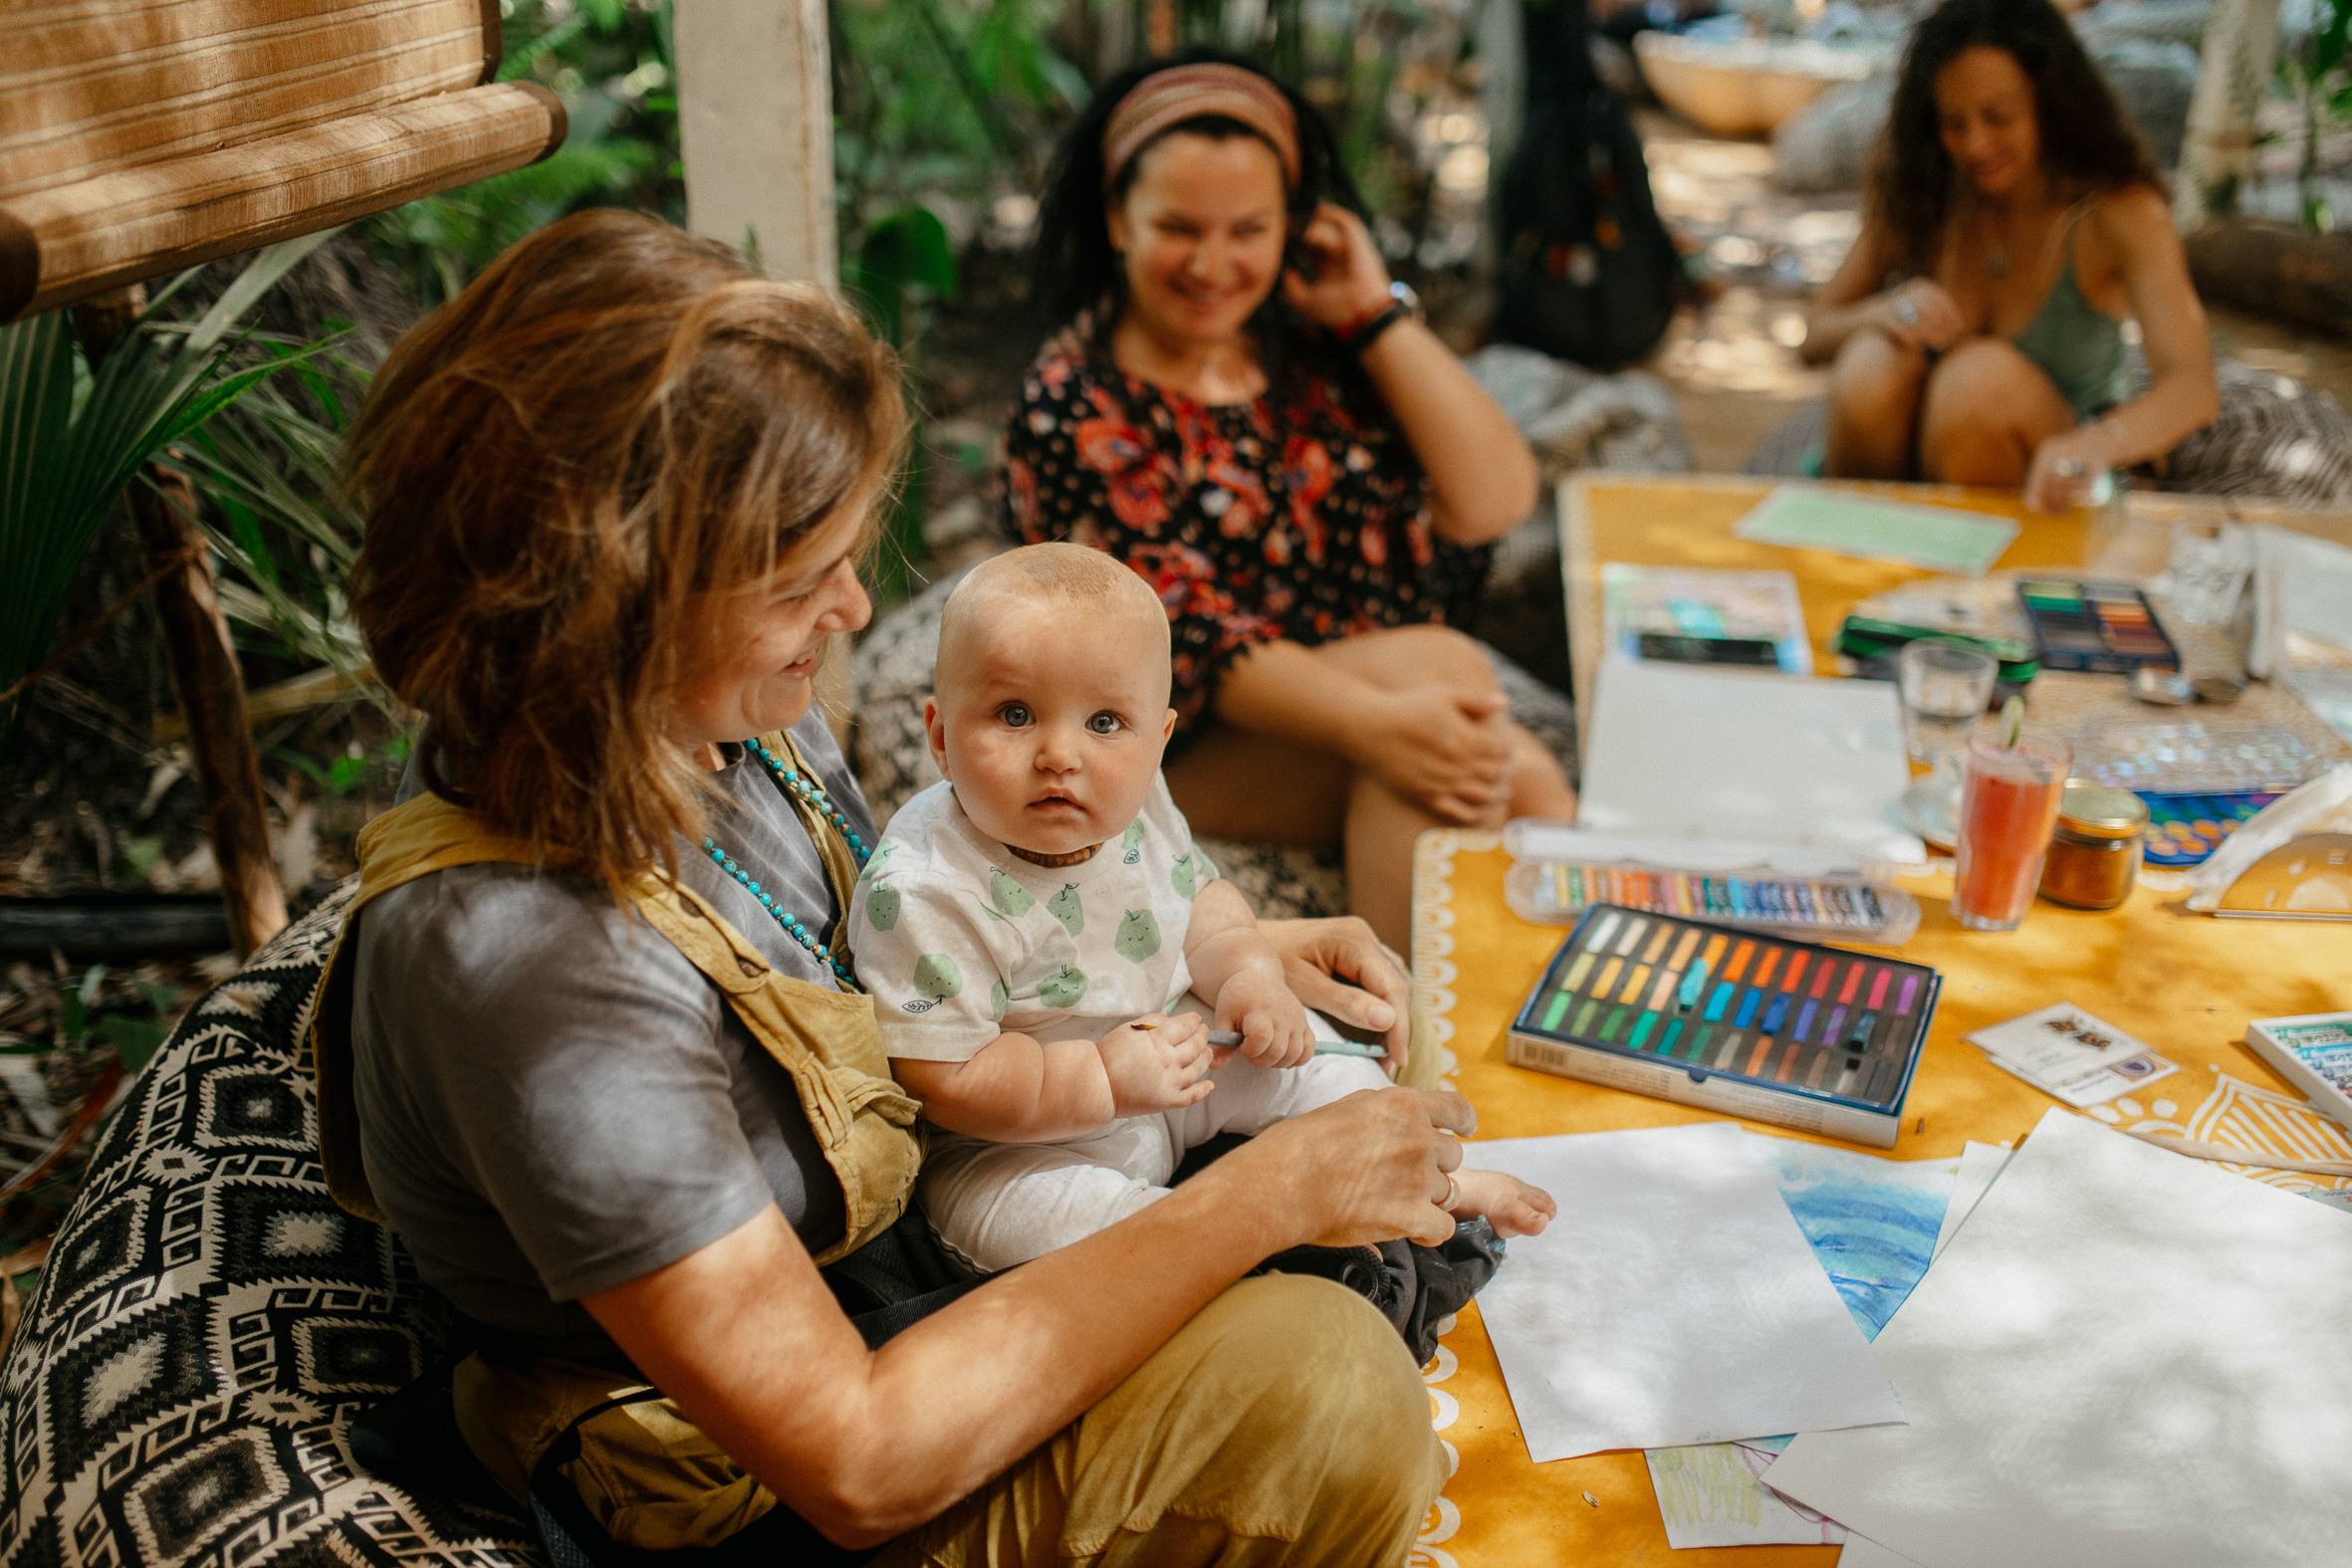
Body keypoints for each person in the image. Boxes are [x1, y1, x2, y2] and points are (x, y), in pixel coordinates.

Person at [314, 208, 1481, 1565]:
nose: (859, 610)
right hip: (738, 1480)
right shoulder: (533, 968)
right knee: (1321, 1384)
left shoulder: (722, 722)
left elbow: (918, 963)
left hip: (895, 1256)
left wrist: (1216, 946)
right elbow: (851, 1454)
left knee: (1363, 1084)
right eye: (804, 578)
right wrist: (1267, 1196)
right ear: (610, 607)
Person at [1001, 50, 1578, 948]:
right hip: (1161, 743)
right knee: (1446, 706)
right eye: (1180, 227)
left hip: (1354, 693)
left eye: (1248, 230)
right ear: (1119, 220)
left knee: (1529, 788)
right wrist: (1384, 723)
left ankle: (1515, 1037)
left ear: (1297, 226)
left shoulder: (1315, 352)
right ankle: (1407, 1043)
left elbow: (1494, 499)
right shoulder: (1075, 398)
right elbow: (1185, 629)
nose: (1213, 263)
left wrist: (1374, 312)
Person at [854, 544, 1554, 1275]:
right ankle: (1261, 1250)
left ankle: (1427, 1177)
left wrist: (1251, 979)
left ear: (1158, 742)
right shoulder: (926, 888)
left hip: (1178, 1072)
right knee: (1047, 1228)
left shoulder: (1140, 809)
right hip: (1019, 1147)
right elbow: (946, 1078)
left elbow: (1205, 905)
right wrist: (1100, 1078)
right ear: (939, 736)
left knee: (1311, 1060)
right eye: (1016, 713)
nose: (1061, 753)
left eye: (1103, 723)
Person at [1801, 0, 2219, 513]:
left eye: (1998, 117)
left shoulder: (2120, 212)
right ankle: (1849, 550)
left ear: (2051, 102)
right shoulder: (1925, 192)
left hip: (2054, 483)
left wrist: (2096, 445)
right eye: (1955, 124)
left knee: (1977, 381)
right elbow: (1814, 334)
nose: (1976, 146)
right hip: (1916, 483)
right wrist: (1888, 311)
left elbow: (2194, 388)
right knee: (1871, 362)